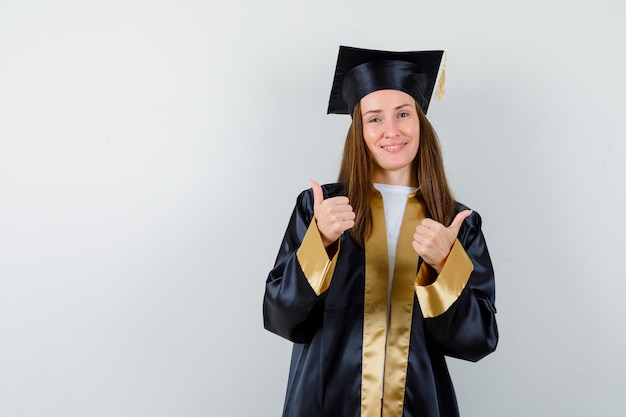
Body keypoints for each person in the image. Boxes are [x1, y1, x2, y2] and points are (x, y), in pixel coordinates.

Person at [263, 45, 498, 417]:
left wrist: (443, 267)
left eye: (403, 114)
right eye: (374, 118)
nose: (391, 130)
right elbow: (281, 318)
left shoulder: (453, 223)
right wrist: (320, 243)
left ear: (420, 121)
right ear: (359, 129)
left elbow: (478, 342)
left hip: (417, 405)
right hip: (325, 403)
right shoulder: (321, 209)